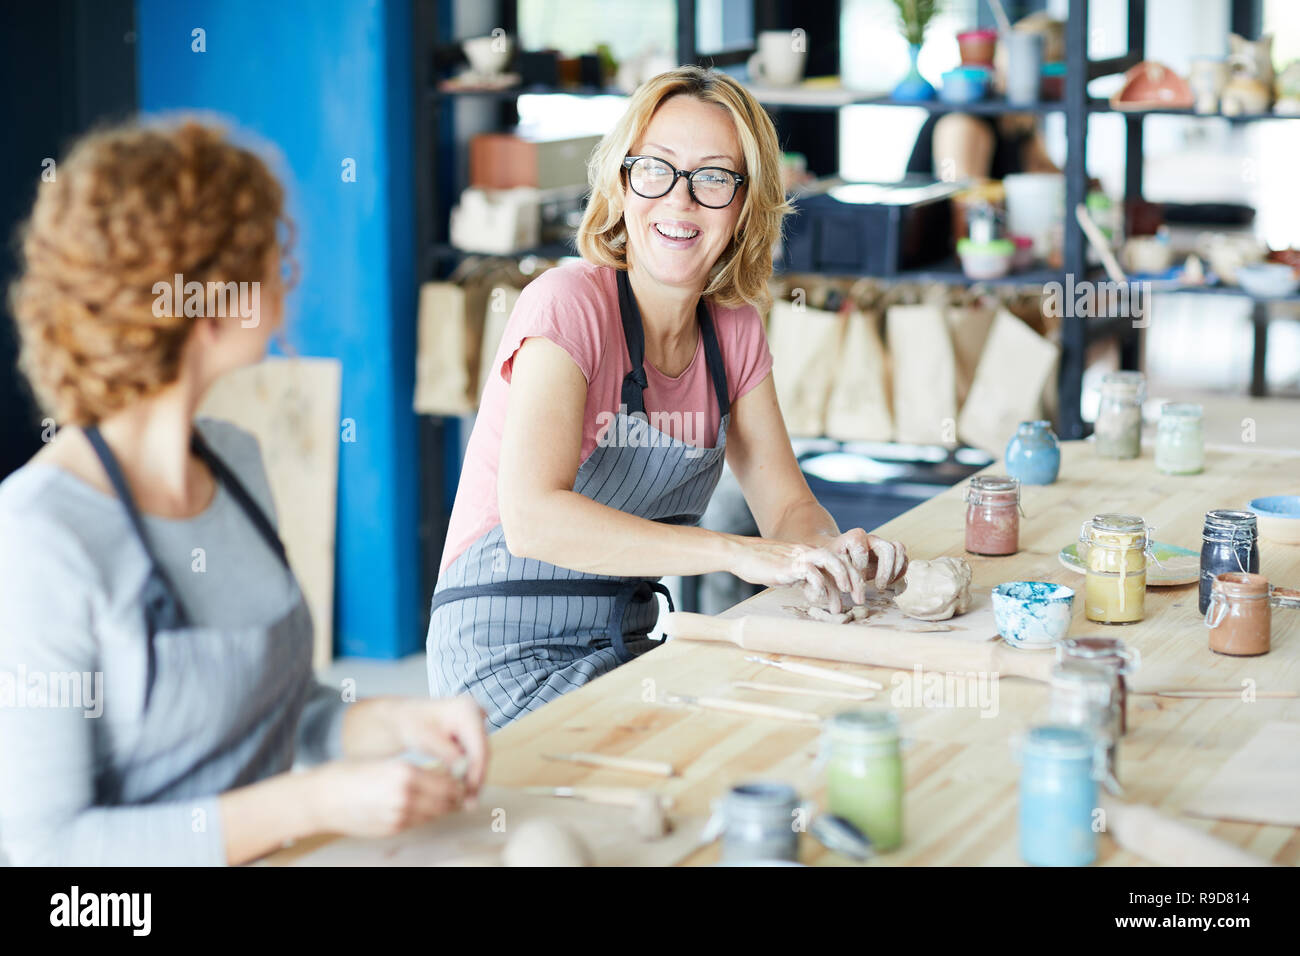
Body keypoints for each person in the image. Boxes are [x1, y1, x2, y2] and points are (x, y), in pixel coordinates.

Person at [0, 120, 488, 866]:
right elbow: (47, 852)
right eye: (270, 253)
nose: (285, 275)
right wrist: (317, 801)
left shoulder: (235, 461)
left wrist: (398, 722)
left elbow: (275, 715)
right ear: (208, 293)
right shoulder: (42, 536)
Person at [427, 66, 909, 730]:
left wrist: (829, 554)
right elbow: (534, 518)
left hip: (623, 646)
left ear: (746, 203)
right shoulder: (568, 307)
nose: (680, 202)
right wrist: (734, 553)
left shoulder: (733, 331)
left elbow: (789, 505)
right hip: (500, 659)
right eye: (657, 169)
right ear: (622, 184)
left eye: (713, 178)